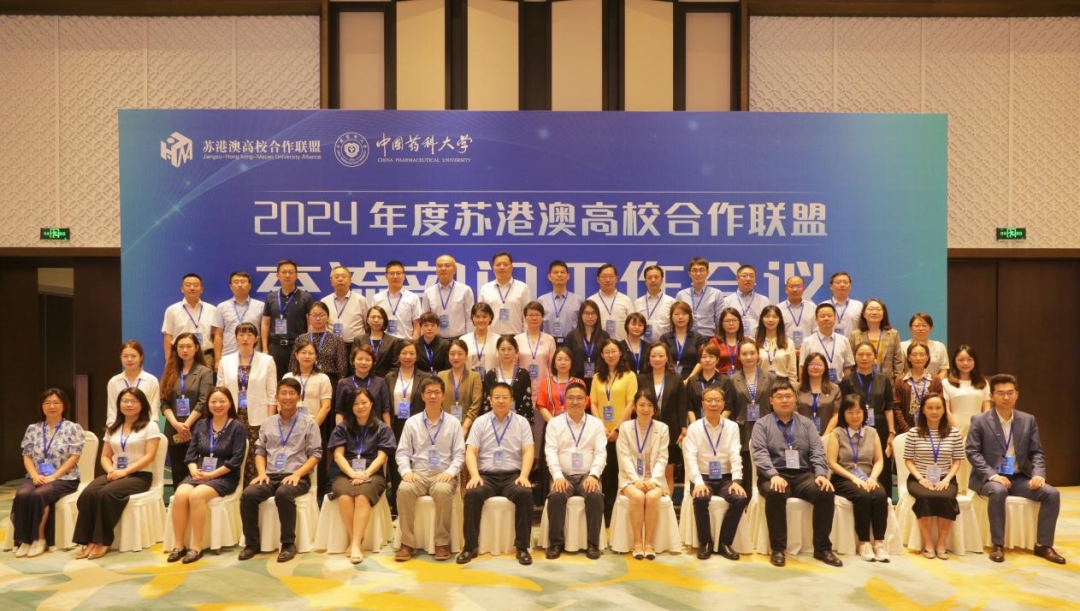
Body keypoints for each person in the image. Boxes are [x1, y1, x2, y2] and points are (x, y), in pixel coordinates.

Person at [966, 374, 1065, 565]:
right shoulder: (979, 420)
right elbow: (972, 452)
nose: (1006, 397)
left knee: (1051, 494)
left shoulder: (1028, 420)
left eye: (1010, 392)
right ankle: (998, 545)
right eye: (1000, 393)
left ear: (1017, 394)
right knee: (998, 490)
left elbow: (1037, 452)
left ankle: (1043, 545)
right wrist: (993, 475)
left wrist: (1038, 475)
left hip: (1019, 478)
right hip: (989, 479)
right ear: (992, 396)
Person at [751, 380, 842, 568]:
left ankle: (822, 548)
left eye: (788, 396)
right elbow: (760, 453)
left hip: (803, 475)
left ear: (795, 399)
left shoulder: (806, 424)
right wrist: (773, 474)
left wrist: (820, 474)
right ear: (771, 400)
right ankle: (777, 549)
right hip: (774, 474)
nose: (784, 400)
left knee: (825, 492)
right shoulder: (762, 424)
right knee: (775, 492)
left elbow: (817, 450)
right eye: (779, 397)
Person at [238, 378, 322, 563]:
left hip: (297, 476)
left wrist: (298, 474)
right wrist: (261, 473)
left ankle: (288, 544)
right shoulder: (268, 423)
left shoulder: (309, 423)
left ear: (299, 397)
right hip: (270, 476)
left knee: (284, 493)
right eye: (283, 393)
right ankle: (252, 544)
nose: (287, 397)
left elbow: (315, 455)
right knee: (248, 495)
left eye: (292, 393)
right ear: (276, 396)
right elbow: (260, 451)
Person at [73, 388, 160, 559]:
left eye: (134, 401)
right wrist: (112, 470)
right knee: (87, 494)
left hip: (139, 475)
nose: (129, 404)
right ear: (119, 404)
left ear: (142, 404)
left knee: (106, 494)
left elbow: (150, 456)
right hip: (114, 473)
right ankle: (89, 540)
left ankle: (103, 541)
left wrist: (125, 471)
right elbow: (105, 456)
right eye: (125, 401)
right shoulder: (113, 428)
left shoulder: (150, 426)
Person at [457, 382, 535, 566]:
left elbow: (528, 451)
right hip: (486, 476)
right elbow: (471, 452)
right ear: (490, 400)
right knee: (472, 494)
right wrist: (474, 475)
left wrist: (524, 476)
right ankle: (470, 546)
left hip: (512, 476)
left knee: (525, 493)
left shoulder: (521, 422)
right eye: (497, 397)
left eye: (505, 397)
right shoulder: (480, 422)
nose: (501, 401)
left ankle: (522, 547)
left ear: (512, 400)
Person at [167, 387, 247, 564]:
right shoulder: (202, 424)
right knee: (180, 495)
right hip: (200, 473)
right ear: (208, 404)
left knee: (196, 496)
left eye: (222, 401)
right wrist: (193, 470)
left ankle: (196, 546)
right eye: (213, 401)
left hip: (224, 476)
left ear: (230, 403)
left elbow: (235, 460)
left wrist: (211, 475)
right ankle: (179, 545)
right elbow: (191, 455)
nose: (218, 405)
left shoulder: (237, 427)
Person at [395, 376, 466, 561]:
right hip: (417, 474)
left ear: (443, 396)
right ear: (422, 396)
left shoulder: (453, 423)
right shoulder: (412, 422)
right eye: (429, 392)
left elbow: (460, 454)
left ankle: (442, 543)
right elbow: (402, 452)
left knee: (442, 491)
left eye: (436, 392)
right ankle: (407, 543)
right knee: (404, 489)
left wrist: (450, 472)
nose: (433, 396)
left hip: (442, 474)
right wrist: (406, 471)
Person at [11, 389, 85, 558]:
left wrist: (54, 476)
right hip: (37, 476)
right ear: (41, 406)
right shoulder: (33, 429)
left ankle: (39, 538)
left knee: (39, 495)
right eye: (47, 403)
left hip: (65, 477)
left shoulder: (73, 428)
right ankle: (24, 540)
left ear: (64, 406)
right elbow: (27, 456)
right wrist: (34, 475)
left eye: (56, 402)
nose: (52, 406)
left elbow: (74, 456)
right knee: (22, 494)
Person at [328, 387, 397, 563]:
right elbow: (338, 456)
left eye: (364, 402)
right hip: (346, 472)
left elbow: (382, 457)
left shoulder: (382, 428)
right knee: (344, 496)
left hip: (373, 473)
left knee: (361, 496)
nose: (360, 406)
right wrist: (352, 473)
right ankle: (356, 541)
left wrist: (365, 473)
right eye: (356, 403)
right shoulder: (342, 427)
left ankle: (355, 544)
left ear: (371, 403)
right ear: (351, 407)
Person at [544, 382, 607, 560]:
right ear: (565, 401)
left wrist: (594, 475)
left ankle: (593, 544)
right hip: (563, 475)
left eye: (579, 398)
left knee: (595, 495)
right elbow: (550, 451)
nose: (575, 402)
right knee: (556, 495)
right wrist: (557, 476)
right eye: (571, 398)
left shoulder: (596, 424)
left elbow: (601, 453)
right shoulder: (555, 423)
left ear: (586, 401)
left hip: (588, 475)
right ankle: (556, 543)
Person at [684, 385, 746, 561]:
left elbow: (735, 454)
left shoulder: (732, 427)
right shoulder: (694, 428)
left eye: (717, 400)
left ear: (723, 404)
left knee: (740, 499)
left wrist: (736, 480)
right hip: (703, 477)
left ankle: (725, 542)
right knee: (700, 498)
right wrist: (698, 482)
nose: (713, 404)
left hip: (726, 478)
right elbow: (690, 458)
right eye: (709, 400)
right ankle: (705, 542)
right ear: (702, 404)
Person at [825, 394, 890, 563]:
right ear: (843, 414)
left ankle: (879, 543)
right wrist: (853, 479)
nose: (854, 416)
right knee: (862, 496)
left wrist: (873, 478)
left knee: (880, 495)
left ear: (864, 413)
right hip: (843, 478)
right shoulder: (836, 433)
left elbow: (879, 460)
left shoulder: (872, 432)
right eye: (850, 412)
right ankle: (864, 543)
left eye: (858, 412)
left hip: (867, 477)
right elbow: (832, 463)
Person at [903, 392, 963, 560]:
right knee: (925, 496)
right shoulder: (914, 433)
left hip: (946, 478)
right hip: (919, 478)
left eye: (938, 408)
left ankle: (941, 544)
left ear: (944, 410)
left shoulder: (954, 433)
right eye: (930, 408)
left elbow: (957, 461)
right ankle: (928, 544)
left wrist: (947, 479)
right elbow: (908, 461)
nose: (934, 411)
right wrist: (921, 479)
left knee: (947, 497)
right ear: (923, 410)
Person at [216, 323, 277, 484]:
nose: (245, 338)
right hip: (232, 417)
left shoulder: (267, 361)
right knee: (232, 454)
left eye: (249, 335)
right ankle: (232, 488)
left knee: (255, 456)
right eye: (241, 334)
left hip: (258, 418)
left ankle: (253, 491)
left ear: (256, 338)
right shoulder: (225, 361)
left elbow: (272, 394)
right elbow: (220, 392)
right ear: (235, 338)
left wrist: (270, 421)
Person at [615, 391, 670, 560]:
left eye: (650, 405)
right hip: (629, 478)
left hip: (654, 478)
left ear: (655, 408)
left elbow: (662, 458)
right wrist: (635, 480)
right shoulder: (625, 428)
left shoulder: (662, 428)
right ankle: (638, 542)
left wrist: (653, 480)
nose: (646, 409)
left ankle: (649, 543)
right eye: (642, 405)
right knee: (638, 497)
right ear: (635, 407)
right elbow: (624, 457)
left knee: (652, 497)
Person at [590, 338, 637, 523]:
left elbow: (631, 403)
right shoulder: (597, 377)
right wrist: (600, 427)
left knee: (619, 472)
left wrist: (617, 429)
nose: (610, 355)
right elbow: (593, 403)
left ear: (620, 353)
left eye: (614, 351)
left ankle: (616, 514)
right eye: (607, 352)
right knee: (604, 472)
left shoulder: (629, 376)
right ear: (602, 355)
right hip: (600, 432)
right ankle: (603, 514)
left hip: (622, 432)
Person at [840, 341, 896, 496]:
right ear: (855, 357)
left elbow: (889, 407)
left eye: (868, 354)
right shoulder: (847, 380)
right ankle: (860, 494)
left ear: (875, 357)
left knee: (882, 462)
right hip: (854, 426)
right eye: (860, 354)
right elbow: (844, 409)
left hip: (880, 425)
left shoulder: (884, 379)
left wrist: (891, 433)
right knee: (859, 459)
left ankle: (884, 498)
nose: (864, 358)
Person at [161, 332, 214, 492]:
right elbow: (164, 402)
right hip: (174, 430)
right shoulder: (170, 371)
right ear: (176, 349)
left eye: (189, 346)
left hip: (197, 429)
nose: (185, 350)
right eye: (181, 346)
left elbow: (203, 402)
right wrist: (176, 424)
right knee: (178, 473)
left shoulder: (204, 372)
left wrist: (186, 425)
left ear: (196, 348)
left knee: (196, 473)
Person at [638, 342, 687, 497]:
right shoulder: (641, 378)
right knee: (649, 470)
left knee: (667, 473)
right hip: (647, 428)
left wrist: (683, 427)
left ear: (667, 358)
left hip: (671, 430)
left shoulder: (676, 378)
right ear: (648, 358)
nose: (657, 359)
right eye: (653, 356)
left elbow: (681, 404)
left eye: (661, 355)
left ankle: (667, 506)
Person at [261, 260, 313, 381]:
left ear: (296, 275)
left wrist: (307, 346)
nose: (287, 275)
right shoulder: (271, 297)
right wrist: (265, 348)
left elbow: (310, 324)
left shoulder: (306, 297)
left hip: (297, 347)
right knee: (275, 381)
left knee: (297, 380)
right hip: (275, 347)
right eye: (284, 272)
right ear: (277, 275)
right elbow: (265, 323)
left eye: (291, 272)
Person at [731, 339, 778, 473]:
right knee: (746, 470)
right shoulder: (732, 380)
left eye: (752, 353)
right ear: (739, 357)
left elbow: (775, 406)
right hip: (742, 429)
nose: (749, 357)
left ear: (758, 354)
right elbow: (731, 408)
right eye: (744, 354)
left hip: (766, 428)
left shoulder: (770, 378)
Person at [162, 273, 223, 368]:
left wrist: (217, 359)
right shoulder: (172, 310)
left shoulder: (212, 310)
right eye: (188, 285)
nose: (192, 288)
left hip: (205, 356)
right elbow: (168, 336)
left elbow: (216, 336)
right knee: (180, 378)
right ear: (182, 289)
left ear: (201, 289)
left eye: (195, 285)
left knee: (205, 378)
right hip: (180, 357)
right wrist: (168, 359)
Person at [289, 302, 348, 389]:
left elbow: (342, 368)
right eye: (314, 315)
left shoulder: (337, 340)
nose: (318, 318)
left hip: (329, 381)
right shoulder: (301, 339)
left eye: (322, 315)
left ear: (328, 317)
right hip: (304, 379)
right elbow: (293, 364)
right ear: (309, 317)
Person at [106, 340, 161, 427]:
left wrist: (150, 429)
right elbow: (112, 413)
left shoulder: (151, 381)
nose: (129, 359)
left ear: (141, 357)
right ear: (120, 357)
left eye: (134, 356)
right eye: (125, 356)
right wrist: (113, 429)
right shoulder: (114, 382)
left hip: (145, 428)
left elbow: (153, 412)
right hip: (120, 429)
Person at [480, 335, 535, 423]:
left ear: (516, 351)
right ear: (497, 351)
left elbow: (526, 401)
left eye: (510, 349)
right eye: (503, 349)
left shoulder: (523, 374)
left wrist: (515, 420)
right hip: (494, 422)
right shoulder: (490, 375)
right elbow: (487, 401)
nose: (506, 353)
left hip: (518, 422)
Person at [893, 342, 944, 433]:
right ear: (909, 357)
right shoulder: (900, 380)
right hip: (906, 428)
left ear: (927, 357)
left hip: (931, 426)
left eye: (922, 354)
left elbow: (940, 404)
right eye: (914, 354)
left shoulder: (935, 379)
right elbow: (896, 408)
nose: (918, 358)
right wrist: (906, 429)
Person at [335, 344, 391, 428]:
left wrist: (389, 431)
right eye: (360, 359)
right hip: (350, 430)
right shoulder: (343, 383)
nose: (363, 362)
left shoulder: (380, 382)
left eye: (368, 360)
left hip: (375, 429)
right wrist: (340, 432)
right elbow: (339, 412)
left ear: (373, 363)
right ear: (353, 361)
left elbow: (385, 410)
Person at [478, 251, 532, 336]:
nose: (502, 267)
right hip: (491, 337)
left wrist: (525, 337)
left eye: (505, 264)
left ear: (512, 267)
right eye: (498, 265)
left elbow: (528, 315)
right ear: (493, 268)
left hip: (516, 336)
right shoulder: (485, 289)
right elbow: (480, 315)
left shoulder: (523, 288)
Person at [320, 265, 369, 360]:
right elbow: (322, 325)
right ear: (331, 282)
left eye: (343, 276)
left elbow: (367, 325)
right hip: (332, 345)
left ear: (350, 280)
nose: (340, 279)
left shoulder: (361, 300)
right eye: (336, 277)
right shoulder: (324, 302)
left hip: (356, 346)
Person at [438, 339, 484, 438]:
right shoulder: (441, 375)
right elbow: (438, 402)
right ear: (448, 356)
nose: (456, 357)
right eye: (452, 354)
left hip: (468, 428)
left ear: (466, 356)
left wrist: (465, 427)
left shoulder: (475, 377)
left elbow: (476, 404)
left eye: (460, 354)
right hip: (444, 427)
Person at [798, 303, 854, 383]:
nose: (826, 318)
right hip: (816, 385)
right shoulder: (807, 341)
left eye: (829, 316)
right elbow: (802, 367)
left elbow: (847, 367)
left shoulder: (844, 340)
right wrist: (803, 387)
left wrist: (848, 386)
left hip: (839, 385)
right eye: (822, 316)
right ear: (816, 320)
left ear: (835, 319)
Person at [942, 344, 991, 435]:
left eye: (969, 360)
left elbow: (986, 408)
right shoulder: (946, 383)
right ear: (954, 361)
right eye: (961, 360)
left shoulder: (983, 382)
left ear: (975, 361)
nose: (965, 363)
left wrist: (981, 427)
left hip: (978, 430)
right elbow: (946, 411)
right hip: (955, 430)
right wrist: (957, 431)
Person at [424, 254, 475, 340]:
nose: (443, 269)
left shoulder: (465, 290)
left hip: (459, 339)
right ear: (436, 270)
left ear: (454, 269)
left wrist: (468, 339)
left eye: (447, 265)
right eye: (440, 266)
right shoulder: (428, 292)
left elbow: (470, 318)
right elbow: (425, 320)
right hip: (436, 340)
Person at [848, 298, 903, 379]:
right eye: (870, 309)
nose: (874, 312)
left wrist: (897, 381)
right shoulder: (855, 335)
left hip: (887, 381)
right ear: (864, 314)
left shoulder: (893, 334)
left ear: (884, 313)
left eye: (878, 309)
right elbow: (850, 361)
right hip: (860, 381)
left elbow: (898, 362)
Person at [216, 271, 265, 360]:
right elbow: (218, 335)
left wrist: (265, 350)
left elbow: (264, 332)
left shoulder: (261, 306)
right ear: (231, 286)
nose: (239, 285)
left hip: (254, 354)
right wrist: (217, 359)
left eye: (243, 282)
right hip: (228, 354)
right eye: (236, 282)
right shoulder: (222, 307)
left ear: (250, 286)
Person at [283, 336, 332, 424]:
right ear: (296, 355)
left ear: (316, 356)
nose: (307, 356)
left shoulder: (323, 378)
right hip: (289, 423)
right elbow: (280, 403)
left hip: (313, 423)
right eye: (303, 353)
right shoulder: (288, 377)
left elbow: (326, 406)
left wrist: (313, 427)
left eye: (311, 353)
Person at [563, 299, 610, 391]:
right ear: (581, 315)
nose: (590, 316)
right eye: (587, 313)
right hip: (576, 380)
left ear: (598, 315)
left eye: (593, 313)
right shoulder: (571, 336)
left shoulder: (604, 336)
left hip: (600, 379)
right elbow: (567, 358)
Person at [685, 343, 736, 424]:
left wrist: (717, 424)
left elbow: (728, 407)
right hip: (697, 425)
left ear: (717, 360)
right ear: (700, 360)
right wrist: (695, 426)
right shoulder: (692, 381)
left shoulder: (726, 380)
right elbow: (689, 407)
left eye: (711, 356)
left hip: (720, 425)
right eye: (704, 357)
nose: (707, 360)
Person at [372, 260, 423, 340]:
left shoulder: (413, 298)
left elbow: (417, 325)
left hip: (406, 342)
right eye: (392, 273)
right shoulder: (377, 298)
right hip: (384, 342)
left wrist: (413, 344)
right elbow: (373, 323)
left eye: (398, 273)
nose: (395, 276)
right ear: (386, 276)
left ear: (404, 276)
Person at [675, 256, 724, 338]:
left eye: (702, 270)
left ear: (707, 273)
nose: (698, 274)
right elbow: (676, 318)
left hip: (708, 337)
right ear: (689, 274)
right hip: (687, 338)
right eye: (694, 270)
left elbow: (720, 321)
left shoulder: (716, 294)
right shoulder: (681, 295)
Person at [537, 260, 583, 346]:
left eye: (562, 272)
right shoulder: (541, 300)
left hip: (572, 344)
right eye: (555, 272)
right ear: (549, 277)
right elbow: (538, 326)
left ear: (568, 276)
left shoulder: (578, 300)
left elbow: (582, 326)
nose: (559, 275)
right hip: (548, 344)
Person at [796, 352, 842, 435]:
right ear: (806, 367)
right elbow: (794, 413)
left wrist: (825, 436)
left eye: (819, 364)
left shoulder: (835, 389)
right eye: (812, 364)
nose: (815, 367)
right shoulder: (796, 388)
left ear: (825, 368)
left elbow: (836, 414)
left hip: (827, 435)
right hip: (801, 434)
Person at [516, 301, 557, 393]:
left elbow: (552, 366)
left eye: (537, 315)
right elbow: (514, 365)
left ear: (542, 317)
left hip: (545, 386)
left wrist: (552, 385)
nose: (534, 318)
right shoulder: (517, 339)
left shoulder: (549, 339)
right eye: (530, 315)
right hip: (522, 385)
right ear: (525, 317)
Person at [659, 301, 708, 377]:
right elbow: (661, 361)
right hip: (670, 377)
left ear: (690, 317)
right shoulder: (665, 338)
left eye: (684, 314)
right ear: (671, 317)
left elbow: (701, 361)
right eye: (676, 314)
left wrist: (689, 379)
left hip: (693, 378)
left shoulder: (698, 338)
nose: (680, 317)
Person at [721, 265, 770, 336]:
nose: (748, 279)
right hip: (734, 340)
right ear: (737, 279)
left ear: (755, 279)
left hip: (758, 340)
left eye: (752, 276)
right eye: (744, 276)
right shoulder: (727, 301)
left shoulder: (764, 300)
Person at [589, 263, 634, 341]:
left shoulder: (626, 300)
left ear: (616, 279)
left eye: (611, 276)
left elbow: (632, 324)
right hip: (598, 344)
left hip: (621, 344)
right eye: (604, 276)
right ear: (598, 279)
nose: (608, 280)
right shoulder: (591, 301)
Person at [356, 305, 402, 379]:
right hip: (363, 380)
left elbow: (395, 366)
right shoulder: (359, 340)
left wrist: (383, 381)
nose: (376, 320)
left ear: (384, 320)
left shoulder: (393, 341)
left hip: (385, 381)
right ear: (367, 320)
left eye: (379, 317)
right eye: (373, 317)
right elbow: (354, 364)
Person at [899, 312, 949, 378]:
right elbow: (899, 371)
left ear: (931, 328)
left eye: (924, 325)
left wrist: (934, 383)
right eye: (917, 326)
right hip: (909, 383)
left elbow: (943, 371)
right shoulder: (902, 346)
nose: (921, 328)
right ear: (910, 328)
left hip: (934, 383)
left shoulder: (940, 346)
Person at [635, 265, 675, 343]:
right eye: (649, 278)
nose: (653, 280)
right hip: (642, 346)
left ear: (662, 280)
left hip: (665, 345)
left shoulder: (671, 302)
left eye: (656, 277)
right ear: (645, 281)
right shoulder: (637, 303)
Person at [756, 305, 797, 382]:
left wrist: (792, 387)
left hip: (782, 385)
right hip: (762, 384)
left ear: (779, 320)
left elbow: (792, 372)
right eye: (767, 316)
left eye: (774, 317)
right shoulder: (755, 343)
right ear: (762, 319)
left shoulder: (788, 343)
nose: (770, 320)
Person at [460, 303, 499, 376]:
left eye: (484, 316)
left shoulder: (498, 340)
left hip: (492, 380)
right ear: (472, 317)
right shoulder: (464, 340)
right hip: (469, 380)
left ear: (490, 317)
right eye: (477, 317)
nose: (481, 320)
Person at [779, 276, 815, 352]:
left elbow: (816, 330)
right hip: (785, 351)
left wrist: (806, 348)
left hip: (808, 351)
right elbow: (776, 333)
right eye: (791, 286)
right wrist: (789, 349)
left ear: (804, 289)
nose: (795, 290)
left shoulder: (812, 307)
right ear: (786, 289)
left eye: (798, 286)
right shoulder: (779, 309)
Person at [708, 307, 745, 377]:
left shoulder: (746, 342)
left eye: (734, 320)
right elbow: (708, 361)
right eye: (727, 321)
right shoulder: (714, 342)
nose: (731, 323)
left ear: (739, 322)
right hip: (720, 378)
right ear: (722, 324)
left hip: (742, 378)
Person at [826, 271, 862, 337]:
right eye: (838, 282)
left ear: (850, 286)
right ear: (831, 287)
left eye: (845, 282)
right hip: (829, 342)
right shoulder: (824, 305)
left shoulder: (858, 305)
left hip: (852, 343)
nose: (842, 285)